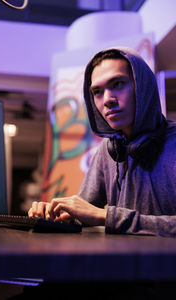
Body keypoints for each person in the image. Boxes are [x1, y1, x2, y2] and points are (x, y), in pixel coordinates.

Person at [28, 46, 176, 237]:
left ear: (143, 87)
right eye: (97, 91)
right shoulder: (108, 150)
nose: (107, 100)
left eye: (118, 84)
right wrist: (57, 213)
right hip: (121, 264)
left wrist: (109, 217)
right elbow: (86, 210)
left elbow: (102, 215)